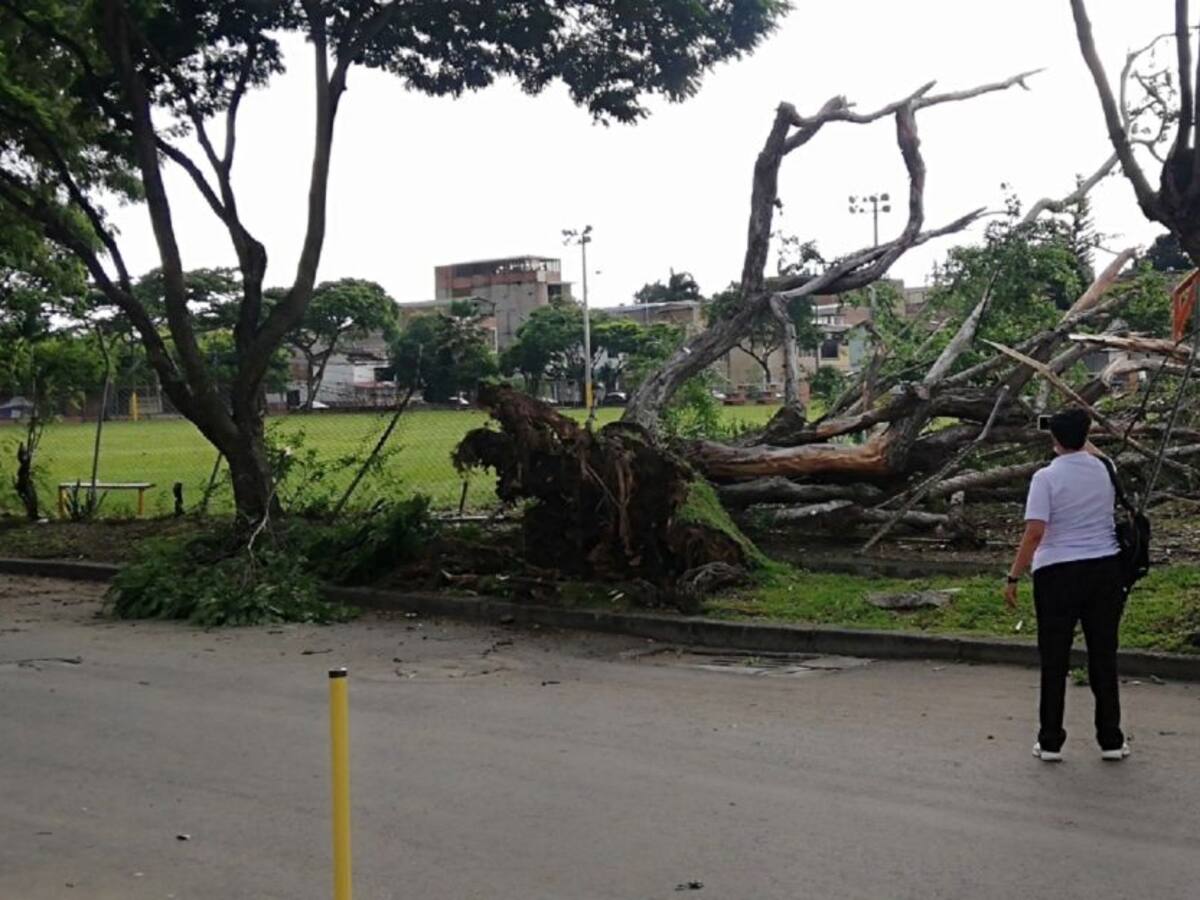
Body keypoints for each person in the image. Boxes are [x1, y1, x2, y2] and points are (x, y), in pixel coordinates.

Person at [1003, 407, 1131, 763]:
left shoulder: (1046, 478)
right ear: (1087, 435)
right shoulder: (1106, 469)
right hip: (1105, 569)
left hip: (1057, 573)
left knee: (1054, 658)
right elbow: (1096, 454)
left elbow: (1035, 532)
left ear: (1054, 438)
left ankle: (1050, 741)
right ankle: (1111, 739)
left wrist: (1014, 574)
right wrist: (1080, 436)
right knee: (1104, 656)